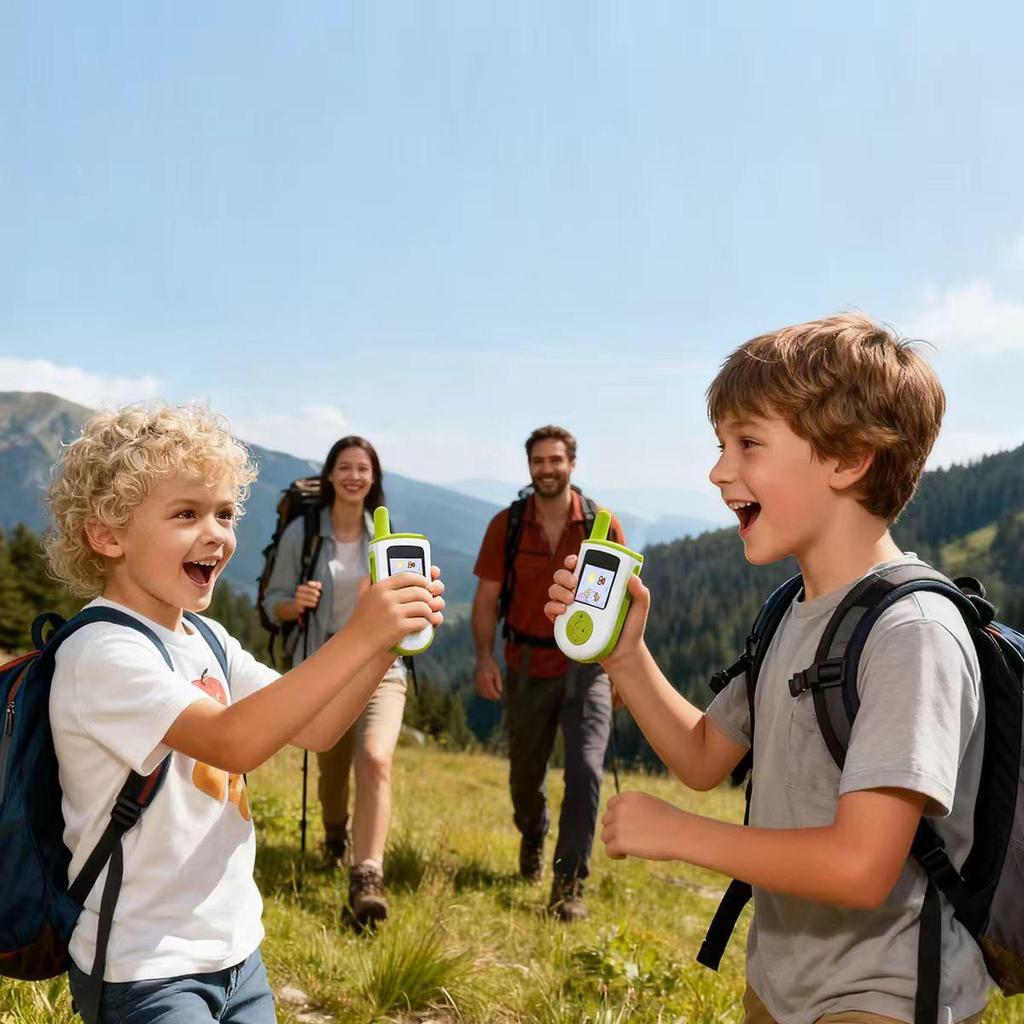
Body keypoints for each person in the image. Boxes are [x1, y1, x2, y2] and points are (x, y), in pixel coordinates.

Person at [546, 314, 991, 1023]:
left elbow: (861, 867)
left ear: (849, 458)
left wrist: (681, 834)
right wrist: (625, 654)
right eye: (721, 445)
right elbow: (702, 756)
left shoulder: (912, 634)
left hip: (886, 996)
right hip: (781, 986)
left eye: (748, 443)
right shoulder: (791, 610)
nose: (719, 471)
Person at [45, 405, 444, 1024]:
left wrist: (385, 644)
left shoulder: (206, 638)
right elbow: (233, 742)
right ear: (108, 535)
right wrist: (359, 636)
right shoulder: (102, 650)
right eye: (186, 514)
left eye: (225, 514)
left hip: (237, 954)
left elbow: (316, 726)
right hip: (145, 968)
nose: (217, 535)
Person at [472, 425, 625, 921]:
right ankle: (533, 831)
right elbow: (486, 599)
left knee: (584, 770)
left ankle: (567, 884)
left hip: (588, 670)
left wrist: (624, 672)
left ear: (572, 464)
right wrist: (484, 657)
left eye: (555, 460)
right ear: (529, 467)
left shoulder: (602, 525)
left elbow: (624, 604)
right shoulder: (507, 525)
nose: (547, 469)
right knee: (524, 776)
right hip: (525, 666)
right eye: (538, 461)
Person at [262, 436, 408, 924]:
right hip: (324, 666)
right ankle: (334, 835)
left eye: (362, 468)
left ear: (374, 478)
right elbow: (272, 602)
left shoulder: (385, 537)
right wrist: (294, 604)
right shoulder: (301, 534)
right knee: (330, 768)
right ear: (329, 475)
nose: (353, 476)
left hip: (382, 667)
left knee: (375, 758)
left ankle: (367, 876)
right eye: (344, 467)